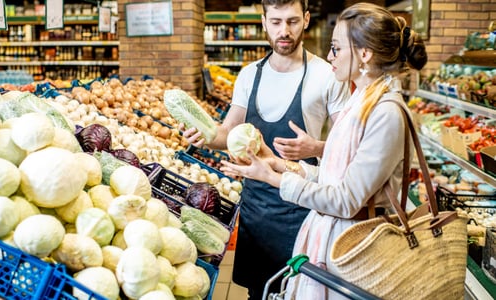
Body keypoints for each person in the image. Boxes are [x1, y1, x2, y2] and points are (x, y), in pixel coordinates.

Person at [219, 2, 428, 299]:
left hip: (352, 248)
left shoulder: (386, 113)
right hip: (331, 239)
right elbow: (334, 176)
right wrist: (278, 164)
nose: (330, 56)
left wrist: (275, 179)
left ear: (364, 54)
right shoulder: (362, 104)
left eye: (337, 48)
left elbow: (345, 200)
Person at [181, 0, 349, 298]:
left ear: (307, 19)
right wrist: (204, 135)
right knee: (258, 292)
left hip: (304, 206)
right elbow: (227, 133)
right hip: (256, 209)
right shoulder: (249, 75)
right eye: (276, 21)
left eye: (292, 21)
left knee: (299, 292)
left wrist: (316, 146)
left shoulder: (326, 75)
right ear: (263, 21)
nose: (284, 31)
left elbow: (347, 147)